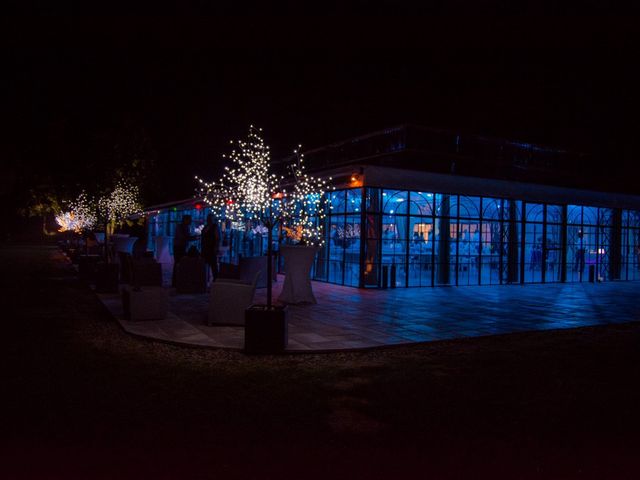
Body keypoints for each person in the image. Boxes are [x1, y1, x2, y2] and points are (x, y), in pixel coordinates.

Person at [172, 215, 197, 286]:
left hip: (178, 246)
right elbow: (185, 237)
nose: (191, 221)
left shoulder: (181, 227)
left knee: (178, 263)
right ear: (185, 220)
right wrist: (194, 237)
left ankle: (176, 281)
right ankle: (178, 281)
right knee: (179, 263)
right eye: (189, 220)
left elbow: (185, 237)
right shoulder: (183, 227)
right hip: (179, 247)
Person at [201, 213, 221, 280]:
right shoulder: (206, 227)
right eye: (208, 218)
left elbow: (218, 238)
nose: (209, 220)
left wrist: (216, 247)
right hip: (205, 248)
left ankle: (216, 280)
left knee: (213, 265)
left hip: (211, 248)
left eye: (210, 218)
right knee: (206, 265)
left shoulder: (215, 227)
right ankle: (206, 280)